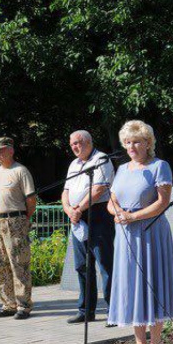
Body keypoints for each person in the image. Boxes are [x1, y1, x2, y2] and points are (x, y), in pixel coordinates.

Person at [107, 120, 173, 344]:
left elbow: (162, 203)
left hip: (151, 234)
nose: (131, 147)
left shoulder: (159, 167)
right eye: (127, 142)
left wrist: (133, 217)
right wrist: (117, 213)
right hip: (126, 236)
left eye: (136, 141)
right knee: (131, 290)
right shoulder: (121, 169)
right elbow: (112, 201)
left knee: (152, 288)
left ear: (148, 143)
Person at [62, 130, 116, 325]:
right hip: (77, 217)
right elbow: (65, 191)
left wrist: (79, 208)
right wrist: (69, 210)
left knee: (105, 264)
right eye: (72, 144)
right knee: (82, 266)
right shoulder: (74, 164)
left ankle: (114, 310)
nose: (75, 147)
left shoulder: (101, 160)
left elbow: (99, 188)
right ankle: (86, 310)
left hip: (98, 214)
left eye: (78, 143)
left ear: (89, 142)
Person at [0, 137, 37, 320]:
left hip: (15, 220)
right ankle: (8, 303)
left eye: (1, 150)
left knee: (19, 263)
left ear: (11, 150)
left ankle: (23, 305)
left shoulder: (20, 171)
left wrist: (24, 219)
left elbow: (30, 200)